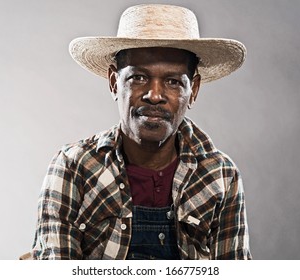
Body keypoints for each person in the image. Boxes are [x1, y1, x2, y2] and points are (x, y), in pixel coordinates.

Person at [24, 4, 251, 260]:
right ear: (114, 83)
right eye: (138, 78)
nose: (154, 95)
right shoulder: (73, 167)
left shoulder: (220, 175)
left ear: (193, 90)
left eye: (173, 82)